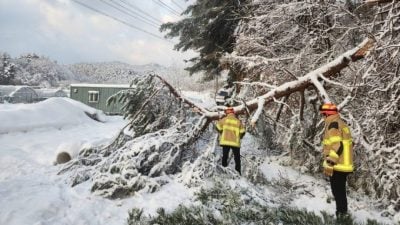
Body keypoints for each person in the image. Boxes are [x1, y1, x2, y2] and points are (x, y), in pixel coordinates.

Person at [320, 102, 354, 219]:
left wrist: (330, 163)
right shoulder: (340, 123)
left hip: (338, 165)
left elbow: (338, 146)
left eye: (323, 114)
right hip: (344, 165)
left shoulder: (333, 125)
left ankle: (342, 217)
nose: (322, 117)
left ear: (327, 114)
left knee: (338, 193)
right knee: (340, 192)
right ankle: (342, 215)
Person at [216, 107, 246, 175]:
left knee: (225, 157)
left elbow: (218, 127)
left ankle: (224, 171)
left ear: (227, 113)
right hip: (235, 143)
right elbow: (243, 132)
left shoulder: (224, 120)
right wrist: (239, 137)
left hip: (225, 142)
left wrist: (222, 132)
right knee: (237, 159)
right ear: (233, 113)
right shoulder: (238, 121)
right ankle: (238, 173)